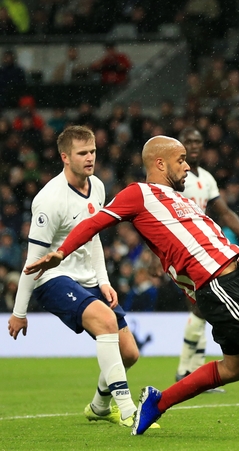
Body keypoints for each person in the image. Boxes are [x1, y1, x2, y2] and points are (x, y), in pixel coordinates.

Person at [25, 136, 239, 437]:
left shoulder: (180, 198)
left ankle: (158, 402)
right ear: (159, 163)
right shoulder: (138, 194)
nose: (187, 168)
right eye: (181, 161)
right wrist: (60, 252)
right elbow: (94, 223)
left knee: (238, 368)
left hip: (232, 283)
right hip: (218, 286)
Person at [7, 125, 153, 429]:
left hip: (89, 279)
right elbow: (33, 262)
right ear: (65, 157)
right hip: (53, 278)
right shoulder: (49, 201)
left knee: (129, 353)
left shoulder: (97, 187)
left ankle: (99, 407)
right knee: (106, 322)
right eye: (82, 153)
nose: (90, 158)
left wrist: (103, 280)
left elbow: (94, 238)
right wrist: (19, 312)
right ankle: (129, 411)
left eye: (93, 152)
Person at [174, 127, 239, 393]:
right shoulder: (173, 178)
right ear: (179, 147)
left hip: (202, 250)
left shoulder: (205, 178)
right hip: (181, 249)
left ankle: (191, 368)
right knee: (200, 309)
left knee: (203, 310)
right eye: (188, 141)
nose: (194, 145)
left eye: (198, 141)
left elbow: (226, 213)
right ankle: (187, 369)